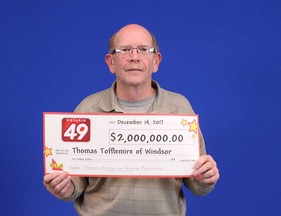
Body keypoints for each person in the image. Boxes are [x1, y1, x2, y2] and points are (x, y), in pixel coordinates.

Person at [43, 24, 220, 216]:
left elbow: (196, 184)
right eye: (125, 50)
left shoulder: (180, 108)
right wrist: (66, 187)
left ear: (156, 61)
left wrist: (206, 178)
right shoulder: (87, 109)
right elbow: (76, 180)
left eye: (144, 50)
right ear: (111, 62)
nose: (134, 57)